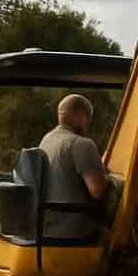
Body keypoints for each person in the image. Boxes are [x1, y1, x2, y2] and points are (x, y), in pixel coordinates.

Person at [39, 94, 109, 239]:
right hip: (74, 227)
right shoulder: (82, 144)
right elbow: (98, 192)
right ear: (82, 116)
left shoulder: (46, 141)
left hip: (48, 226)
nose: (88, 124)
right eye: (89, 119)